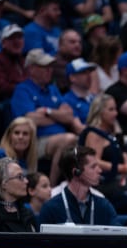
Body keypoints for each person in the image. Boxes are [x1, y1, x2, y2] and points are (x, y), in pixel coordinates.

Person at [10, 48, 80, 185]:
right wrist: (58, 116)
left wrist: (48, 111)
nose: (49, 71)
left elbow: (69, 116)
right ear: (31, 69)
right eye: (44, 67)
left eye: (50, 67)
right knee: (69, 139)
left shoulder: (53, 89)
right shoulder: (23, 90)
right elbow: (30, 120)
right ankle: (51, 187)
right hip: (35, 140)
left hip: (55, 138)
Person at [79, 94, 127, 214]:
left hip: (119, 178)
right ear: (100, 111)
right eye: (111, 109)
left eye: (116, 109)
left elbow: (124, 153)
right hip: (103, 182)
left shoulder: (114, 131)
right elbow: (94, 161)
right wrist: (124, 168)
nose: (116, 113)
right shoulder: (94, 133)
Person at [38, 146, 118, 225]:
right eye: (93, 167)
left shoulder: (104, 206)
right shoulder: (51, 208)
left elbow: (119, 234)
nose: (100, 170)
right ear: (76, 172)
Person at [0, 24, 28, 101]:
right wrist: (25, 88)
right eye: (12, 38)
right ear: (3, 43)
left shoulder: (23, 60)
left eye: (19, 38)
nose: (17, 42)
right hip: (9, 100)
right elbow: (1, 87)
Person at [62, 57, 97, 123]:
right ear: (72, 78)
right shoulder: (67, 102)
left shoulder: (95, 98)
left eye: (89, 72)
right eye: (84, 73)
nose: (89, 76)